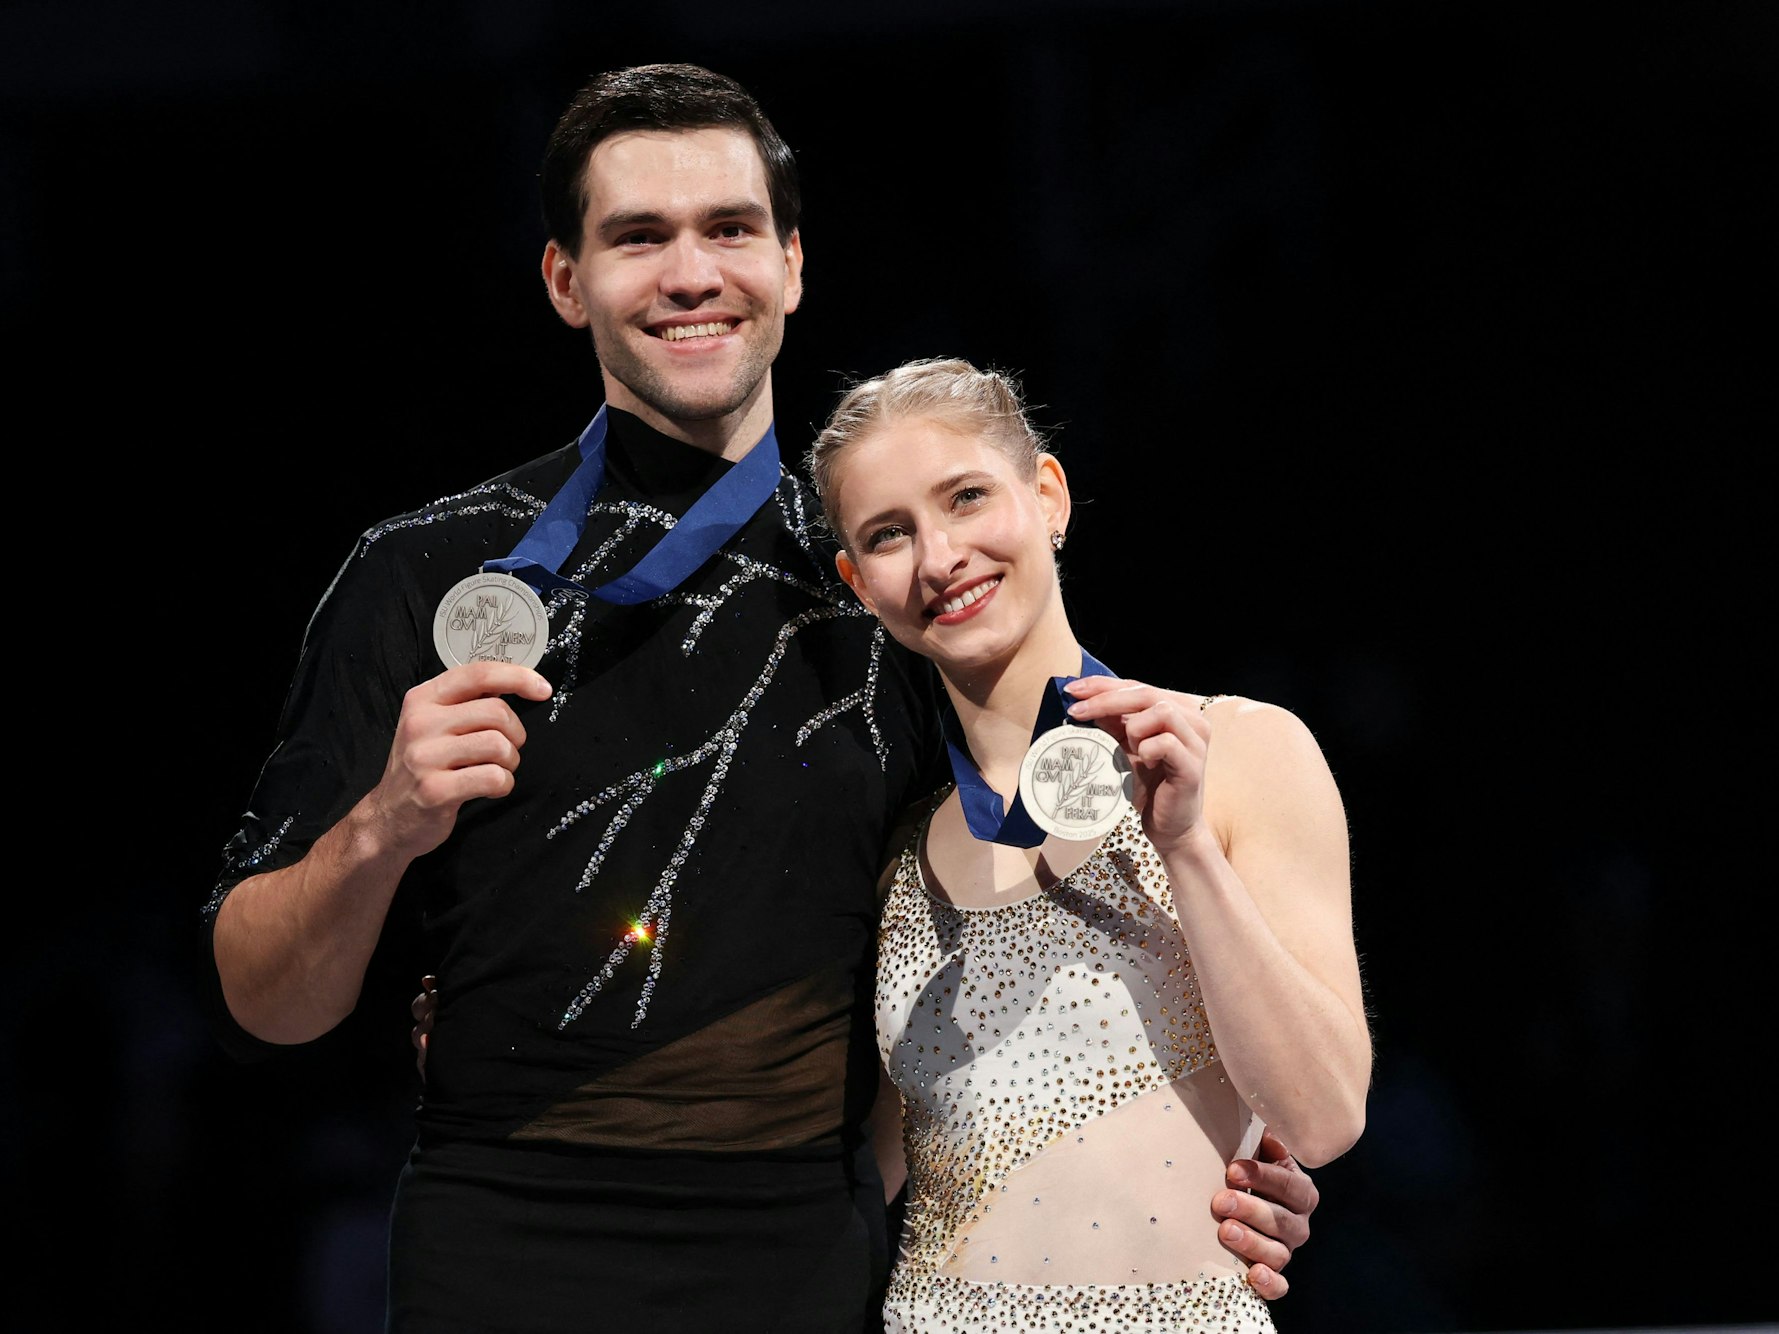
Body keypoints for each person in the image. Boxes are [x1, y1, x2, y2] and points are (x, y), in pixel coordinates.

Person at [202, 62, 1321, 1334]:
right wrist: (383, 825)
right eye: (640, 236)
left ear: (790, 264)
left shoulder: (897, 596)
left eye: (729, 229)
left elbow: (1031, 948)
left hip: (809, 1264)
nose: (692, 273)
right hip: (503, 1252)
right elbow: (261, 1002)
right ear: (566, 279)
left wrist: (1206, 1168)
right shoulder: (425, 571)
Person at [804, 357, 1371, 1332]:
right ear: (859, 584)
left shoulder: (1240, 750)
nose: (939, 557)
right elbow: (849, 1185)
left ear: (1047, 495)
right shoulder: (895, 853)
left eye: (966, 497)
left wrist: (1183, 846)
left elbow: (1320, 1117)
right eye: (889, 534)